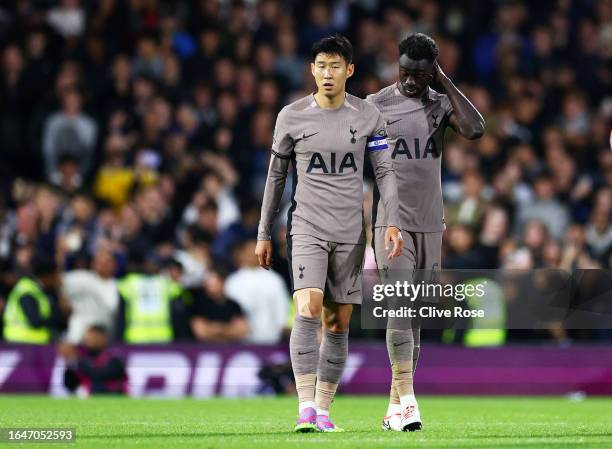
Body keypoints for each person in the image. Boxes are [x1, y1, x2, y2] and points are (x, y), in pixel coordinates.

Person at [256, 35, 403, 432]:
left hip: (351, 232)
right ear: (311, 70)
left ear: (349, 71)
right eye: (320, 65)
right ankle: (304, 406)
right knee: (307, 306)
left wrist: (390, 221)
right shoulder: (291, 116)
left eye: (335, 66)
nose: (327, 73)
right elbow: (276, 177)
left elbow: (385, 171)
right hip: (306, 226)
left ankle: (323, 411)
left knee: (337, 323)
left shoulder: (368, 116)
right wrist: (263, 232)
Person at [367, 33, 485, 432]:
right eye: (405, 71)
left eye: (420, 74)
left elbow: (475, 129)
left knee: (415, 316)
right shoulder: (376, 105)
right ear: (396, 64)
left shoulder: (439, 104)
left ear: (431, 71)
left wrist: (445, 82)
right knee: (400, 306)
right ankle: (410, 401)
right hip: (392, 223)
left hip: (432, 224)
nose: (411, 80)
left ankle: (393, 407)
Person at [115, 251, 189, 344]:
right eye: (149, 262)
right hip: (137, 339)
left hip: (159, 339)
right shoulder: (131, 283)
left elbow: (180, 310)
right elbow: (121, 316)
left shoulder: (166, 283)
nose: (151, 265)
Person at [61, 248, 118, 344]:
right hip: (78, 340)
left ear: (114, 265)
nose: (102, 265)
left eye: (107, 261)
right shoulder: (82, 278)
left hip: (106, 341)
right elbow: (57, 281)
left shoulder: (119, 286)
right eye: (99, 261)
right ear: (93, 264)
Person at [3, 254, 63, 344]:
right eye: (56, 274)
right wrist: (59, 316)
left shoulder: (39, 290)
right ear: (47, 275)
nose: (59, 278)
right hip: (22, 344)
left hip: (31, 344)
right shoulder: (27, 290)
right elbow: (35, 321)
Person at [62, 324, 127, 396]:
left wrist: (77, 363)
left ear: (103, 338)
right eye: (87, 337)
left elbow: (99, 377)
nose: (89, 340)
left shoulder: (114, 358)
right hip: (90, 399)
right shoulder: (84, 359)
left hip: (113, 397)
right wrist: (70, 363)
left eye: (93, 337)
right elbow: (70, 385)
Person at [190, 264, 249, 343]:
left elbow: (242, 331)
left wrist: (217, 329)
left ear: (222, 282)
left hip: (230, 350)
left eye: (211, 281)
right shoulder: (200, 305)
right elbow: (200, 332)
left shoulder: (233, 305)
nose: (207, 285)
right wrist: (229, 329)